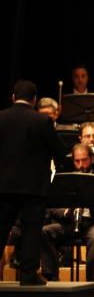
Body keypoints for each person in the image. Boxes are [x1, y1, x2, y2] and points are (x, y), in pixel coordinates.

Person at [0, 80, 66, 285]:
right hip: (33, 187)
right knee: (31, 231)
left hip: (3, 186)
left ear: (13, 97)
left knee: (1, 228)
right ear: (34, 99)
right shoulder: (42, 121)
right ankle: (28, 276)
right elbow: (59, 151)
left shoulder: (0, 118)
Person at [41, 144, 94, 291]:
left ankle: (91, 286)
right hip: (70, 222)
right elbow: (52, 208)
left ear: (92, 159)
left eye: (84, 160)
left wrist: (93, 202)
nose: (81, 165)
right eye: (77, 161)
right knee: (44, 232)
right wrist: (67, 212)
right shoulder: (64, 181)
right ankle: (52, 280)